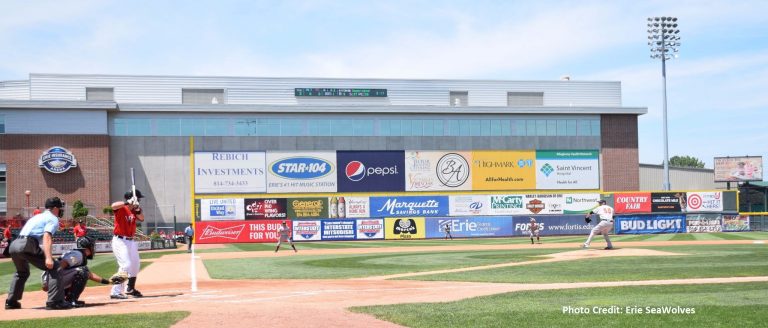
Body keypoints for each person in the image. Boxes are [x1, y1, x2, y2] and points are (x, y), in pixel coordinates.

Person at [5, 197, 73, 310]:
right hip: (27, 244)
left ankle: (11, 301)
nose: (61, 209)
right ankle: (55, 301)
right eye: (60, 207)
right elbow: (47, 236)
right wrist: (48, 258)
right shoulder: (53, 218)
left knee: (22, 272)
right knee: (55, 267)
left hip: (14, 244)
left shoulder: (37, 216)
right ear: (55, 208)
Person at [41, 236, 119, 307]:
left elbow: (90, 275)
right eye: (92, 246)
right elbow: (60, 266)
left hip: (52, 279)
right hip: (52, 279)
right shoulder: (78, 254)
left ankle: (64, 299)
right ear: (87, 247)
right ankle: (71, 300)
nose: (93, 248)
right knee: (82, 271)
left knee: (83, 271)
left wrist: (109, 282)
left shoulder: (79, 254)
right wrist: (52, 283)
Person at [109, 189, 145, 299]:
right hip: (120, 240)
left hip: (131, 240)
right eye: (138, 198)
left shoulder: (134, 210)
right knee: (126, 265)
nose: (139, 200)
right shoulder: (121, 208)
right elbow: (113, 206)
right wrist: (127, 203)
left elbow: (142, 218)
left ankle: (130, 288)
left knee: (135, 265)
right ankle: (115, 291)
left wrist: (137, 208)